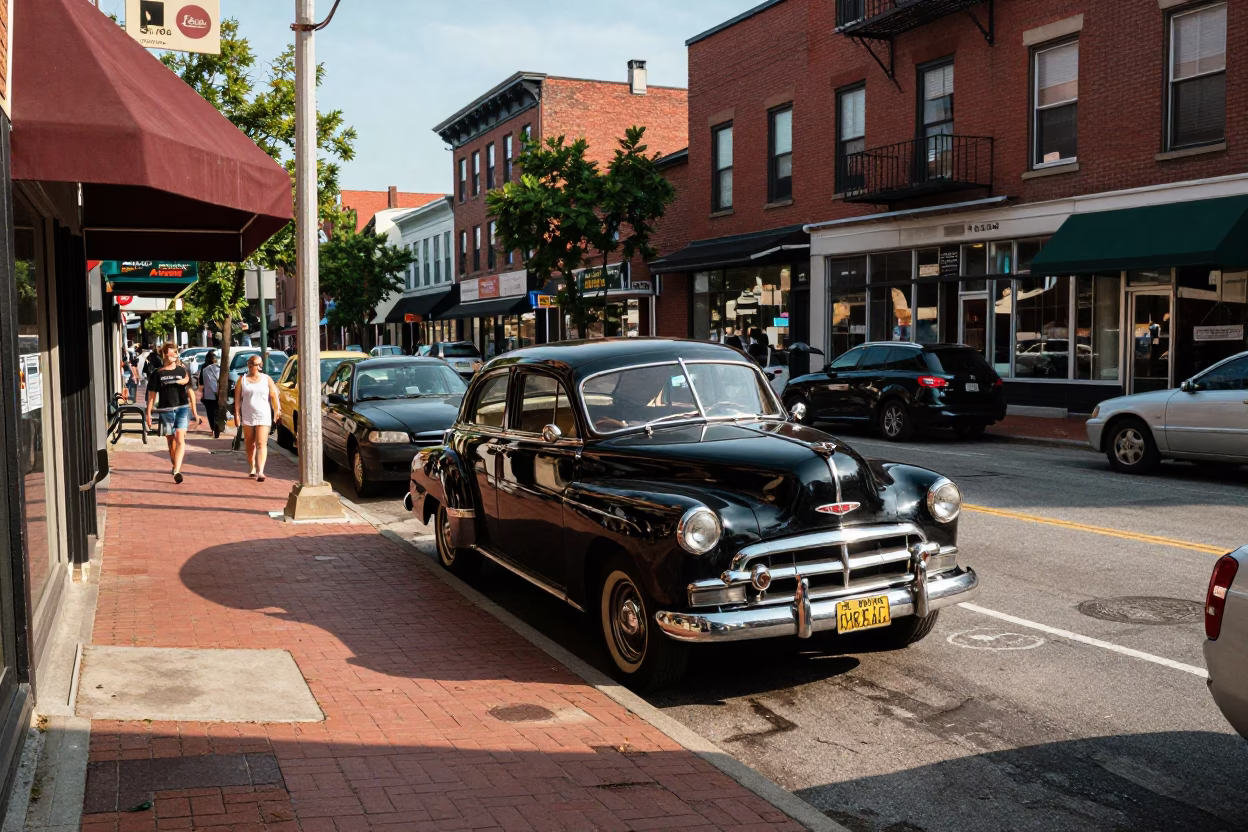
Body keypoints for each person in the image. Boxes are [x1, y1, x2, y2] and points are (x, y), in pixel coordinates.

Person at [145, 342, 200, 483]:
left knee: (180, 438)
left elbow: (190, 391)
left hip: (182, 408)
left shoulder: (182, 371)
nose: (173, 355)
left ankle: (177, 470)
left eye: (175, 352)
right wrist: (148, 413)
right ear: (164, 354)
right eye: (170, 353)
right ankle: (174, 464)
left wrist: (195, 411)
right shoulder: (158, 373)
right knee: (171, 440)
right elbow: (152, 394)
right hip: (166, 409)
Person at [234, 353, 281, 482]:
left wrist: (276, 410)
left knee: (261, 443)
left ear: (259, 366)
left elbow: (273, 395)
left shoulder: (266, 379)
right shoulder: (242, 380)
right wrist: (237, 414)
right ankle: (252, 467)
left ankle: (261, 471)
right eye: (249, 364)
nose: (250, 367)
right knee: (250, 444)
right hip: (248, 415)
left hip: (263, 414)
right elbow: (237, 399)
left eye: (253, 364)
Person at [198, 350, 221, 439]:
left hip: (208, 394)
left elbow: (201, 382)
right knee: (217, 411)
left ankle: (213, 429)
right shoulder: (221, 367)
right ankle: (217, 427)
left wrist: (202, 392)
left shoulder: (204, 367)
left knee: (210, 413)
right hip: (219, 394)